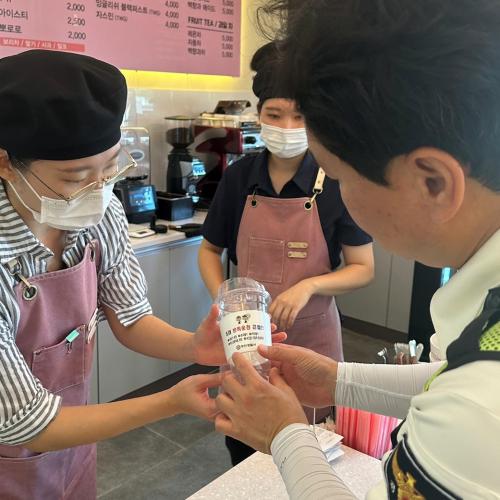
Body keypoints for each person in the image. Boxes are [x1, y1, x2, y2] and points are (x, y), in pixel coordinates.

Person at [214, 0, 500, 497]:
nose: (338, 193)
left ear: (433, 183)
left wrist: (285, 436)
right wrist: (337, 380)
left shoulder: (479, 416)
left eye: (340, 176)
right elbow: (450, 377)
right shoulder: (477, 356)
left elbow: (466, 398)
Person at [0, 49, 285, 500]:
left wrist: (193, 346)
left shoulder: (102, 213)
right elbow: (27, 423)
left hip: (72, 443)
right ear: (4, 163)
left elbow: (130, 318)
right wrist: (168, 402)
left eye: (110, 168)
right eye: (75, 178)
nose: (98, 191)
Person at [198, 42, 374, 465]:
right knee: (244, 443)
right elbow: (208, 250)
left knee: (312, 446)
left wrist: (308, 286)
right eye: (275, 115)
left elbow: (362, 268)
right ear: (259, 114)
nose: (287, 126)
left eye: (300, 117)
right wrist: (225, 300)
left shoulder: (335, 180)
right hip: (246, 337)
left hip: (314, 341)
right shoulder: (240, 177)